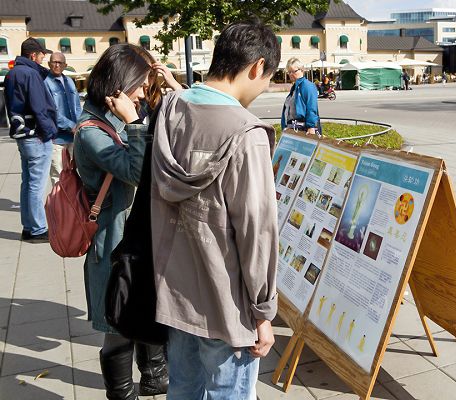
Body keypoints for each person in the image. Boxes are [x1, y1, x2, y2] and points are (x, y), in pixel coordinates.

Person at [151, 20, 280, 399]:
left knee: (184, 391)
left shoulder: (171, 109)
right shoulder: (246, 133)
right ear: (257, 67)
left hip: (174, 291)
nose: (265, 87)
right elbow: (258, 231)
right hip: (227, 304)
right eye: (268, 78)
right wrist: (264, 312)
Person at [73, 43, 180, 400]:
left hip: (134, 236)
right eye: (137, 84)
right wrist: (135, 122)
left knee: (144, 309)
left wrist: (170, 88)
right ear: (117, 84)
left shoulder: (116, 117)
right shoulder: (91, 131)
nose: (140, 92)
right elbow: (135, 171)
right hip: (113, 244)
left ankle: (153, 377)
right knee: (117, 325)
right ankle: (121, 394)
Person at [4, 37, 58, 243]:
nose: (44, 57)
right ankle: (37, 229)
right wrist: (50, 131)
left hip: (23, 135)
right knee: (36, 184)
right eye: (42, 54)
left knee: (27, 183)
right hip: (36, 135)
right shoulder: (30, 73)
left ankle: (29, 227)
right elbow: (39, 108)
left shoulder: (12, 73)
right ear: (33, 55)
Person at [44, 52, 82, 185]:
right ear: (49, 64)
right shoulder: (46, 84)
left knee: (75, 174)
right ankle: (58, 205)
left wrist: (80, 124)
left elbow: (77, 106)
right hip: (57, 139)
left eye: (60, 62)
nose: (57, 65)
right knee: (58, 176)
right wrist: (72, 126)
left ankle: (72, 205)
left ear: (65, 65)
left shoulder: (70, 81)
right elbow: (51, 111)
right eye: (54, 62)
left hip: (73, 137)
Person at [281, 57, 320, 135]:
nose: (291, 74)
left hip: (303, 129)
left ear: (302, 69)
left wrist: (311, 127)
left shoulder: (308, 86)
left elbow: (312, 107)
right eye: (289, 72)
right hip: (293, 129)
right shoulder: (295, 87)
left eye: (294, 71)